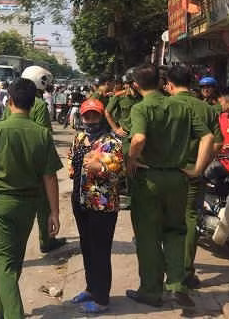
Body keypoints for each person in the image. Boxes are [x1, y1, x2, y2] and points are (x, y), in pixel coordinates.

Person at [0, 78, 62, 319]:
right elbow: (50, 177)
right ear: (33, 103)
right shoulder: (42, 134)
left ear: (9, 100)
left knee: (3, 264)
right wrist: (54, 212)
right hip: (28, 206)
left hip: (2, 203)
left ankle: (13, 314)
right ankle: (1, 312)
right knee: (13, 262)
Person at [126, 64, 214, 309]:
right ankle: (177, 285)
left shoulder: (141, 108)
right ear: (161, 82)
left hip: (149, 179)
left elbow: (139, 138)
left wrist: (131, 159)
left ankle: (151, 291)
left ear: (136, 85)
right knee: (176, 231)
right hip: (178, 178)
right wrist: (197, 169)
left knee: (148, 236)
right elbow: (208, 137)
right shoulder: (181, 107)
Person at [166, 65, 223, 290]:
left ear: (169, 84)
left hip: (167, 172)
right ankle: (186, 272)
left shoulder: (165, 105)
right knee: (190, 219)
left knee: (167, 220)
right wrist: (200, 166)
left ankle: (169, 274)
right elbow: (216, 143)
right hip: (193, 172)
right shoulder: (207, 109)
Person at [68, 98, 124, 314]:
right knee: (87, 247)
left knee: (100, 251)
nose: (90, 120)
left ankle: (102, 299)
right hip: (80, 200)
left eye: (95, 115)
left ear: (102, 117)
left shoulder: (112, 143)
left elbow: (119, 175)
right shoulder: (79, 138)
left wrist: (100, 168)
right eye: (87, 116)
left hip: (102, 205)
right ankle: (91, 288)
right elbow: (72, 161)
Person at [4, 66, 65, 254]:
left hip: (11, 160)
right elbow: (43, 135)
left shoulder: (11, 103)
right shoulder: (38, 105)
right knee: (44, 206)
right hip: (34, 165)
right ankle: (46, 240)